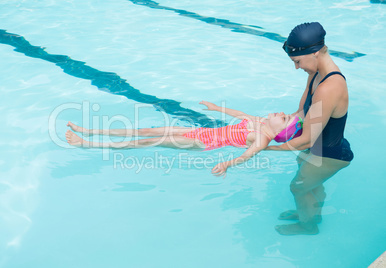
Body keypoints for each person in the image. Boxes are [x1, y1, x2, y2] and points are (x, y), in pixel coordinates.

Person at [266, 22, 354, 235]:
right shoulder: (315, 75)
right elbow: (301, 114)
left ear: (314, 53)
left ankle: (308, 226)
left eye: (297, 61)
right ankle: (310, 213)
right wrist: (267, 129)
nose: (296, 67)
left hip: (329, 154)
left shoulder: (330, 87)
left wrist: (264, 148)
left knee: (298, 187)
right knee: (311, 185)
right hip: (318, 147)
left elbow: (305, 139)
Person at [66, 101, 302, 178]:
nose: (281, 114)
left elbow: (246, 156)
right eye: (285, 114)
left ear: (278, 132)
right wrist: (216, 107)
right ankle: (90, 131)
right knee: (149, 131)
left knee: (147, 142)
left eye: (284, 119)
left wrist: (227, 165)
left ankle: (85, 143)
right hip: (202, 133)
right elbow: (239, 115)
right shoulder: (260, 122)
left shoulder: (261, 139)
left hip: (202, 143)